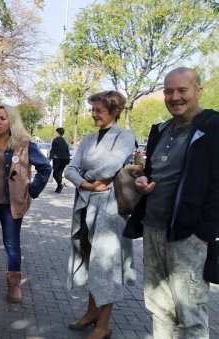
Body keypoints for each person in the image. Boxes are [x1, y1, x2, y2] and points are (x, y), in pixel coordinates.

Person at [124, 67, 218, 338]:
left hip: (188, 237)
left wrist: (203, 234)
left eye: (182, 90)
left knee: (190, 316)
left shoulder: (212, 128)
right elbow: (152, 174)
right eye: (168, 91)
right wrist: (143, 183)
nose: (174, 97)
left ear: (198, 91)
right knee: (159, 308)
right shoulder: (161, 129)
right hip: (153, 229)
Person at [65, 91, 136, 339]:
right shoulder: (87, 139)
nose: (94, 114)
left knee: (106, 264)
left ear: (114, 111)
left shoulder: (125, 136)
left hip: (109, 208)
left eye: (99, 110)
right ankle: (91, 313)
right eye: (92, 109)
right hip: (85, 203)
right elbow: (69, 169)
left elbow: (111, 167)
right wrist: (86, 184)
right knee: (89, 256)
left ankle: (104, 324)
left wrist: (85, 176)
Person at [0, 105, 51, 303]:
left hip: (10, 204)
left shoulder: (24, 144)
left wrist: (31, 191)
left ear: (11, 121)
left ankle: (13, 285)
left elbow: (45, 168)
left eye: (3, 118)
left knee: (12, 244)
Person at [49, 127, 71, 193]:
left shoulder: (55, 140)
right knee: (60, 173)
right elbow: (67, 150)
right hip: (65, 159)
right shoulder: (65, 141)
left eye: (56, 132)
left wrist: (50, 158)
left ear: (58, 132)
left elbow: (53, 150)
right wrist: (68, 159)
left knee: (55, 174)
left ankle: (59, 185)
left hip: (57, 159)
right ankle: (59, 188)